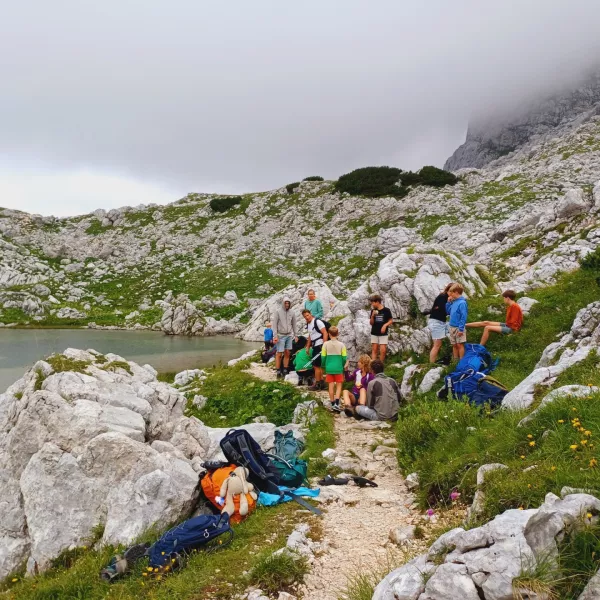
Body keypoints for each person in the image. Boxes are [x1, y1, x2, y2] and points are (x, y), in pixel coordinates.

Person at [320, 326, 348, 412]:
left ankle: (332, 403)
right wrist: (343, 365)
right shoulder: (342, 345)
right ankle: (337, 403)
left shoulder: (325, 344)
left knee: (331, 386)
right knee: (339, 386)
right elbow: (344, 358)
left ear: (329, 334)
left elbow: (323, 357)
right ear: (338, 334)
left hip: (329, 368)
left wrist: (324, 365)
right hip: (338, 368)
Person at [426, 283, 453, 363]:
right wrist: (449, 302)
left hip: (441, 322)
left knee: (438, 344)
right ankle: (431, 364)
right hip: (436, 322)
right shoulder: (442, 297)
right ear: (449, 290)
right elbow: (443, 309)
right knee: (437, 345)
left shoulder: (444, 296)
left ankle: (433, 362)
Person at [272, 297, 298, 379]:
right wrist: (275, 336)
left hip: (289, 335)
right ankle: (278, 370)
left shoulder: (292, 312)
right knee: (279, 353)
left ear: (290, 304)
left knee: (287, 353)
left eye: (288, 303)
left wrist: (296, 335)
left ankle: (285, 370)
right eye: (285, 303)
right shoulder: (278, 312)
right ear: (283, 303)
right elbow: (274, 324)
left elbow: (294, 324)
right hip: (280, 335)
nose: (287, 305)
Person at [302, 309, 328, 390]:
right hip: (315, 345)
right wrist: (307, 347)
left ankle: (317, 384)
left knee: (316, 366)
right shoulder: (309, 324)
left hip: (320, 345)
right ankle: (321, 383)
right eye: (305, 316)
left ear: (310, 314)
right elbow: (310, 336)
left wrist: (324, 345)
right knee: (318, 366)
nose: (307, 317)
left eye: (307, 315)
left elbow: (325, 332)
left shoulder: (317, 322)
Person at [446, 283, 468, 360]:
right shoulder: (454, 301)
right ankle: (455, 361)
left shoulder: (462, 303)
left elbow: (463, 316)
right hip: (451, 326)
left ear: (456, 292)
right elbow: (448, 312)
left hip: (458, 328)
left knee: (459, 345)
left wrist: (461, 329)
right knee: (454, 345)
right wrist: (448, 302)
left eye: (452, 292)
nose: (450, 294)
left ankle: (461, 361)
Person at [369, 294, 393, 361]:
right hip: (374, 332)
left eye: (373, 303)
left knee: (383, 350)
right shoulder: (373, 311)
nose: (372, 304)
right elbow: (371, 323)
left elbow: (391, 320)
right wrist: (372, 316)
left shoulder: (386, 310)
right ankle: (373, 366)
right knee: (374, 349)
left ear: (377, 302)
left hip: (383, 333)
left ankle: (380, 366)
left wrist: (385, 325)